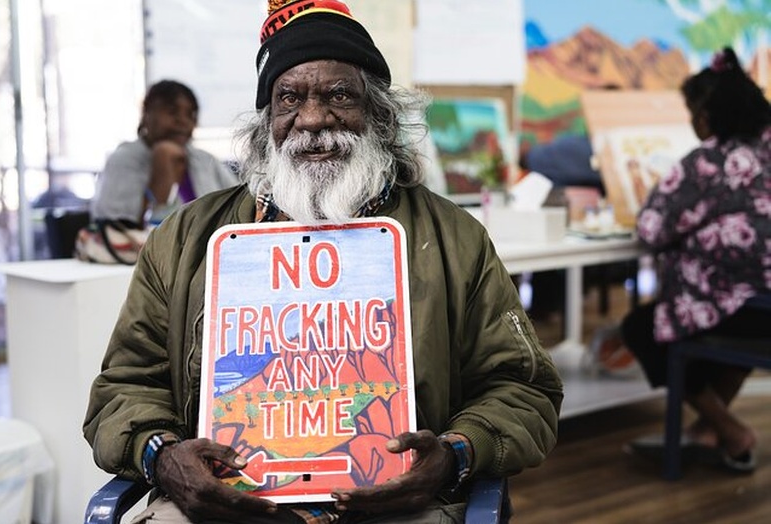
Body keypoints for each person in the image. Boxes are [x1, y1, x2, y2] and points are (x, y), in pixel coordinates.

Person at [83, 1, 563, 522]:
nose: (313, 119)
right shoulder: (185, 240)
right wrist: (162, 455)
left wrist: (454, 454)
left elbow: (523, 388)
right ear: (268, 119)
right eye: (290, 97)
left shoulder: (455, 239)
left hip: (397, 506)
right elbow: (125, 388)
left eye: (339, 96)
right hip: (225, 507)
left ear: (378, 114)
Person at [621, 47, 771, 472]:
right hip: (765, 306)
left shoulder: (707, 162)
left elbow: (651, 228)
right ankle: (708, 428)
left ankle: (729, 429)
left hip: (743, 310)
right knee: (727, 322)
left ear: (708, 113)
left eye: (693, 111)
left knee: (643, 329)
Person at [90, 79, 238, 226]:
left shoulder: (205, 160)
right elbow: (121, 226)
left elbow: (239, 206)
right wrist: (163, 165)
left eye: (190, 114)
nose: (182, 121)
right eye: (172, 111)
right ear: (146, 114)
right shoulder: (125, 159)